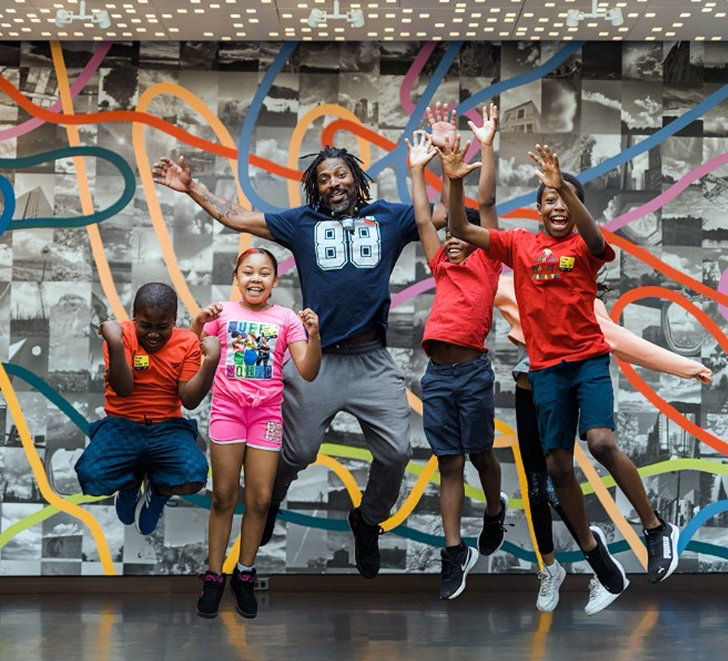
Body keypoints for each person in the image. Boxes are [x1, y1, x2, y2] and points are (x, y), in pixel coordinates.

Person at [152, 104, 455, 578]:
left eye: (341, 174)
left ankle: (368, 521)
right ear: (315, 188)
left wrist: (447, 159)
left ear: (356, 178)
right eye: (324, 178)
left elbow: (448, 217)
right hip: (318, 359)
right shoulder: (301, 224)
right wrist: (191, 187)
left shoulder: (391, 218)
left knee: (396, 453)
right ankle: (268, 498)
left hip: (372, 360)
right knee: (293, 453)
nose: (334, 183)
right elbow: (238, 218)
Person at [441, 139, 682, 616]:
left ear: (575, 207)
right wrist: (453, 181)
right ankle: (593, 552)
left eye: (564, 198)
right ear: (536, 209)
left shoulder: (585, 247)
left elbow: (595, 238)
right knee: (555, 469)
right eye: (548, 197)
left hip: (587, 361)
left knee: (599, 442)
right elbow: (459, 227)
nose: (556, 204)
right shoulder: (520, 245)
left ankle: (656, 529)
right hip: (546, 370)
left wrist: (563, 187)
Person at [495, 274, 712, 613]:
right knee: (537, 488)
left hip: (562, 385)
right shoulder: (524, 289)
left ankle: (627, 544)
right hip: (529, 391)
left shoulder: (588, 310)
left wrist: (687, 367)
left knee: (584, 457)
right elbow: (486, 270)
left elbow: (631, 344)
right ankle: (552, 568)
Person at [406, 106, 506, 600]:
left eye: (461, 236)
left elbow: (482, 204)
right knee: (449, 463)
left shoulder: (488, 261)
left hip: (472, 373)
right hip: (438, 377)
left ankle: (494, 510)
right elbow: (426, 216)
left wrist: (482, 149)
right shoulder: (440, 263)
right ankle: (453, 551)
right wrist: (415, 170)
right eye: (450, 237)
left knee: (481, 454)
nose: (453, 241)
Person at [189, 247, 320, 620]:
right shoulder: (222, 313)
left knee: (261, 499)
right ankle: (214, 577)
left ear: (275, 281)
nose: (256, 278)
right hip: (228, 412)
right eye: (248, 272)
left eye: (264, 273)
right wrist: (198, 322)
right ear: (237, 277)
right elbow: (186, 352)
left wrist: (315, 335)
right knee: (224, 498)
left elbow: (308, 371)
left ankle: (243, 575)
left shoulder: (286, 319)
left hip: (266, 415)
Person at [75, 282, 220, 535]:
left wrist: (210, 363)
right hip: (122, 425)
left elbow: (189, 400)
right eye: (146, 326)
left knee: (195, 475)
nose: (153, 334)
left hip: (167, 428)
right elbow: (124, 388)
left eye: (162, 327)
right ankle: (129, 485)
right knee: (90, 475)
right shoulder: (121, 335)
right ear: (134, 318)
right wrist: (116, 344)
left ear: (174, 321)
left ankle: (158, 491)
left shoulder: (187, 342)